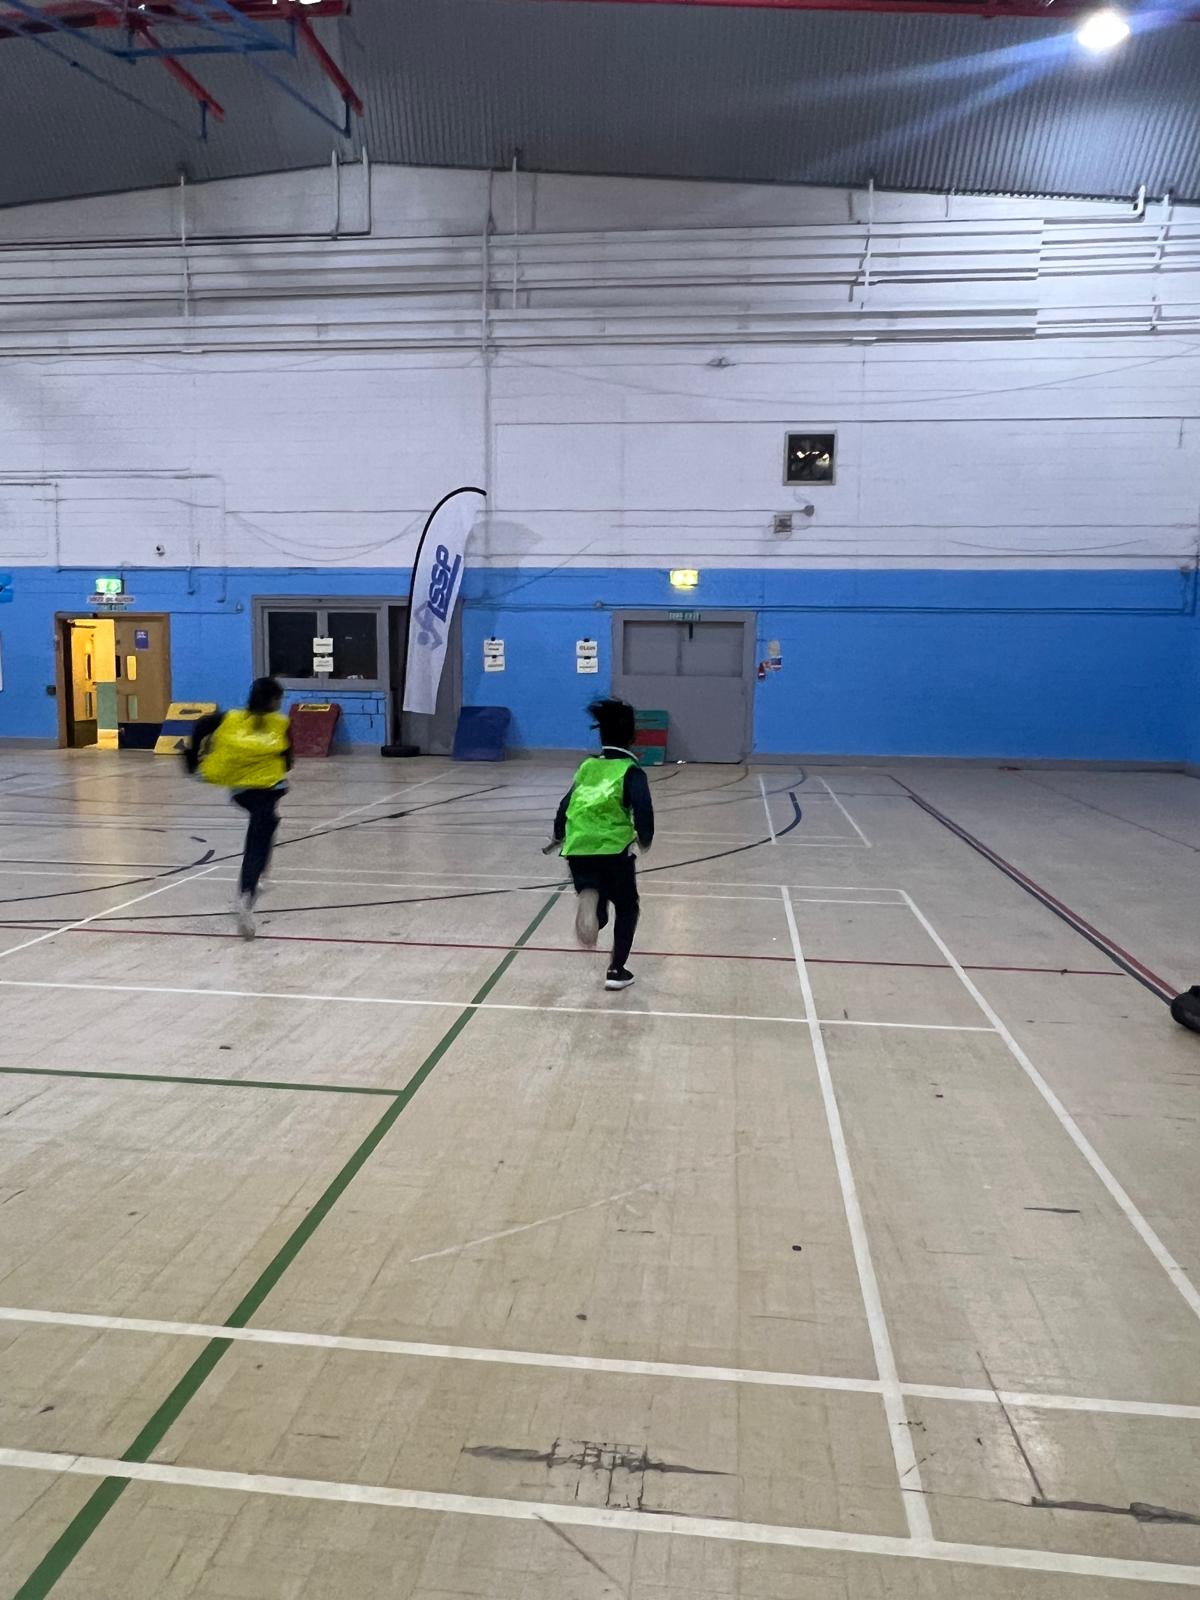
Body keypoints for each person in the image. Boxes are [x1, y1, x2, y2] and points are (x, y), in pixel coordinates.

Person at [552, 697, 654, 990]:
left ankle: (592, 901)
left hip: (578, 847)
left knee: (595, 892)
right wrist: (645, 836)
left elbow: (567, 803)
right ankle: (616, 970)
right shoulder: (630, 770)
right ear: (632, 737)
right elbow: (643, 808)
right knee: (627, 906)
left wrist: (558, 833)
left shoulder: (587, 767)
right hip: (613, 850)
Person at [185, 678, 293, 940]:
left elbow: (201, 725)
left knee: (266, 824)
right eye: (279, 698)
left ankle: (257, 881)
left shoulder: (229, 718)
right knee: (261, 832)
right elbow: (289, 761)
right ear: (272, 700)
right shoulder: (279, 723)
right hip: (267, 789)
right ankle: (249, 891)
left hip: (242, 792)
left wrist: (191, 759)